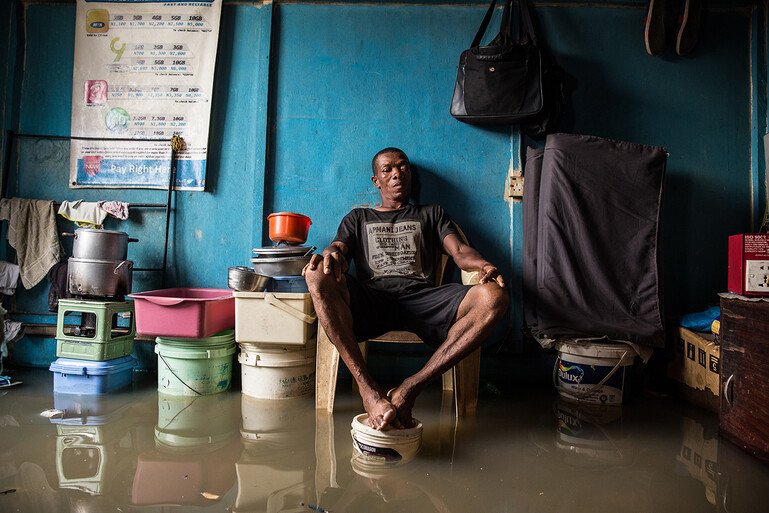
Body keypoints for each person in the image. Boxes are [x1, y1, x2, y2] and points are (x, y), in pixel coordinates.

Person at [303, 148, 509, 430]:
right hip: (372, 300)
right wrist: (331, 253)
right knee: (316, 274)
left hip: (424, 300)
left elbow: (460, 251)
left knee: (493, 297)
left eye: (402, 167)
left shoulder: (431, 213)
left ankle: (409, 388)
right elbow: (339, 247)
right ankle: (369, 391)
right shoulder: (358, 218)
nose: (396, 173)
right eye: (387, 169)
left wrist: (483, 265)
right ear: (376, 181)